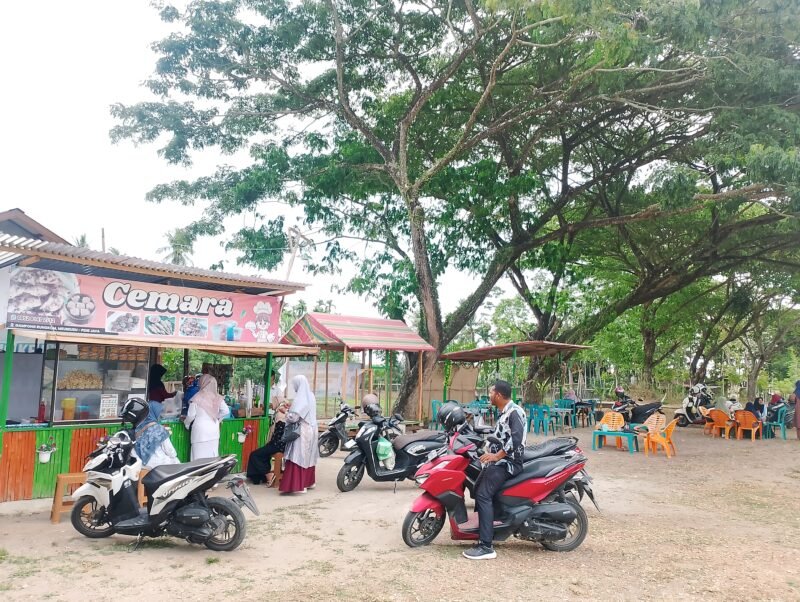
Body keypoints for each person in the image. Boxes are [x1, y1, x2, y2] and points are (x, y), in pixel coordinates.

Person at [463, 379, 526, 561]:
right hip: (499, 461)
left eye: (491, 392)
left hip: (508, 463)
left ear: (498, 395)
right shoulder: (505, 412)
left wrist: (496, 456)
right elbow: (500, 436)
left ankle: (486, 546)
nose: (488, 395)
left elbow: (516, 441)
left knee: (483, 494)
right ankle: (489, 528)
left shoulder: (514, 413)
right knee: (479, 487)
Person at [279, 375, 319, 494]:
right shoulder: (311, 396)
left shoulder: (300, 398)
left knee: (298, 456)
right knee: (309, 456)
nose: (294, 387)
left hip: (302, 431)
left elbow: (294, 417)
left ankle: (299, 486)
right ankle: (309, 482)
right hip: (312, 429)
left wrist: (285, 412)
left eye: (295, 385)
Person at [184, 374, 230, 460]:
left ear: (202, 383)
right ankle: (211, 474)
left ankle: (199, 474)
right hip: (214, 431)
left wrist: (186, 424)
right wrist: (216, 419)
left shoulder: (197, 397)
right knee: (212, 458)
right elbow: (226, 411)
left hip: (200, 432)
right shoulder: (217, 397)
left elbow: (191, 415)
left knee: (198, 459)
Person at [246, 400, 289, 486]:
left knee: (254, 455)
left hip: (278, 445)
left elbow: (278, 436)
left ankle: (268, 474)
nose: (271, 405)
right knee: (262, 454)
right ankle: (259, 477)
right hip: (278, 444)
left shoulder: (281, 415)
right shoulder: (283, 414)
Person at [133, 398, 179, 468]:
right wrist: (174, 455)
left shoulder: (137, 428)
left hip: (141, 465)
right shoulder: (159, 429)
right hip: (158, 464)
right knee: (175, 460)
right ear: (155, 413)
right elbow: (170, 451)